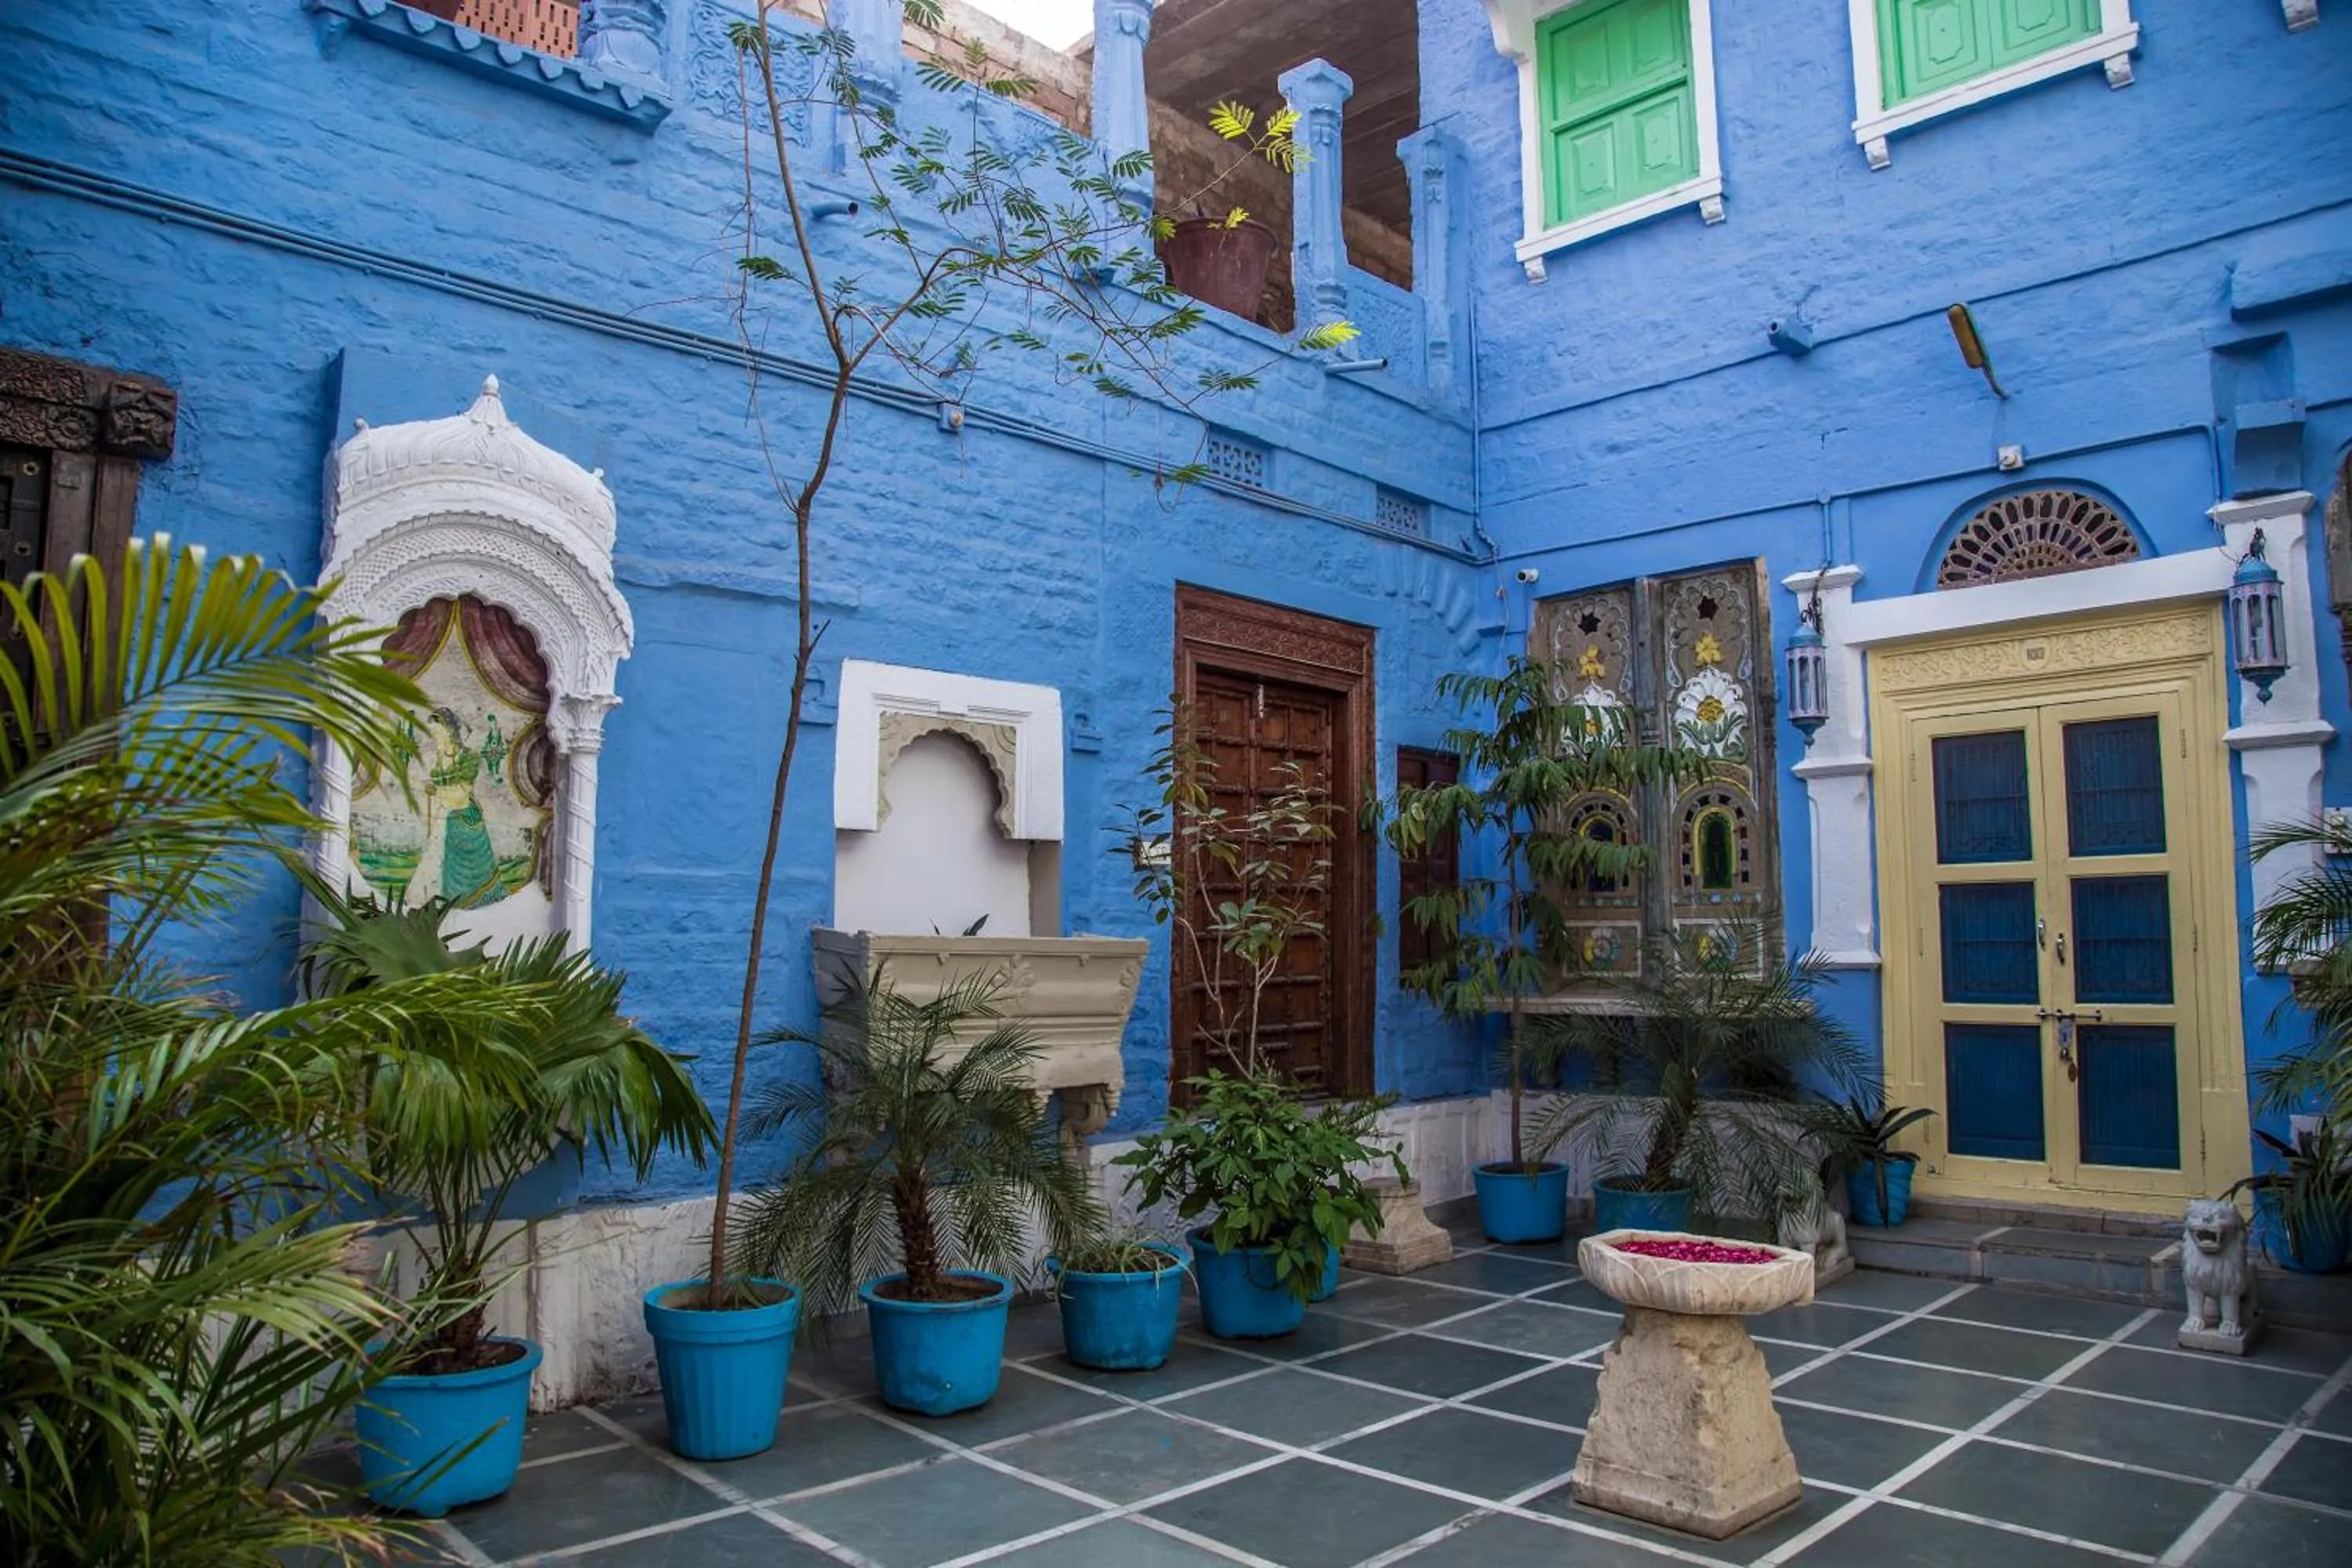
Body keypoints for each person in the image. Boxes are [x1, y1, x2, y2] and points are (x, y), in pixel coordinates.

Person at [405, 706, 500, 908]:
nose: (436, 739)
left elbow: (460, 795)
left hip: (463, 819)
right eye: (433, 735)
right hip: (444, 817)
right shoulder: (440, 762)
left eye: (438, 734)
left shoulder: (469, 759)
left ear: (450, 732)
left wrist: (436, 791)